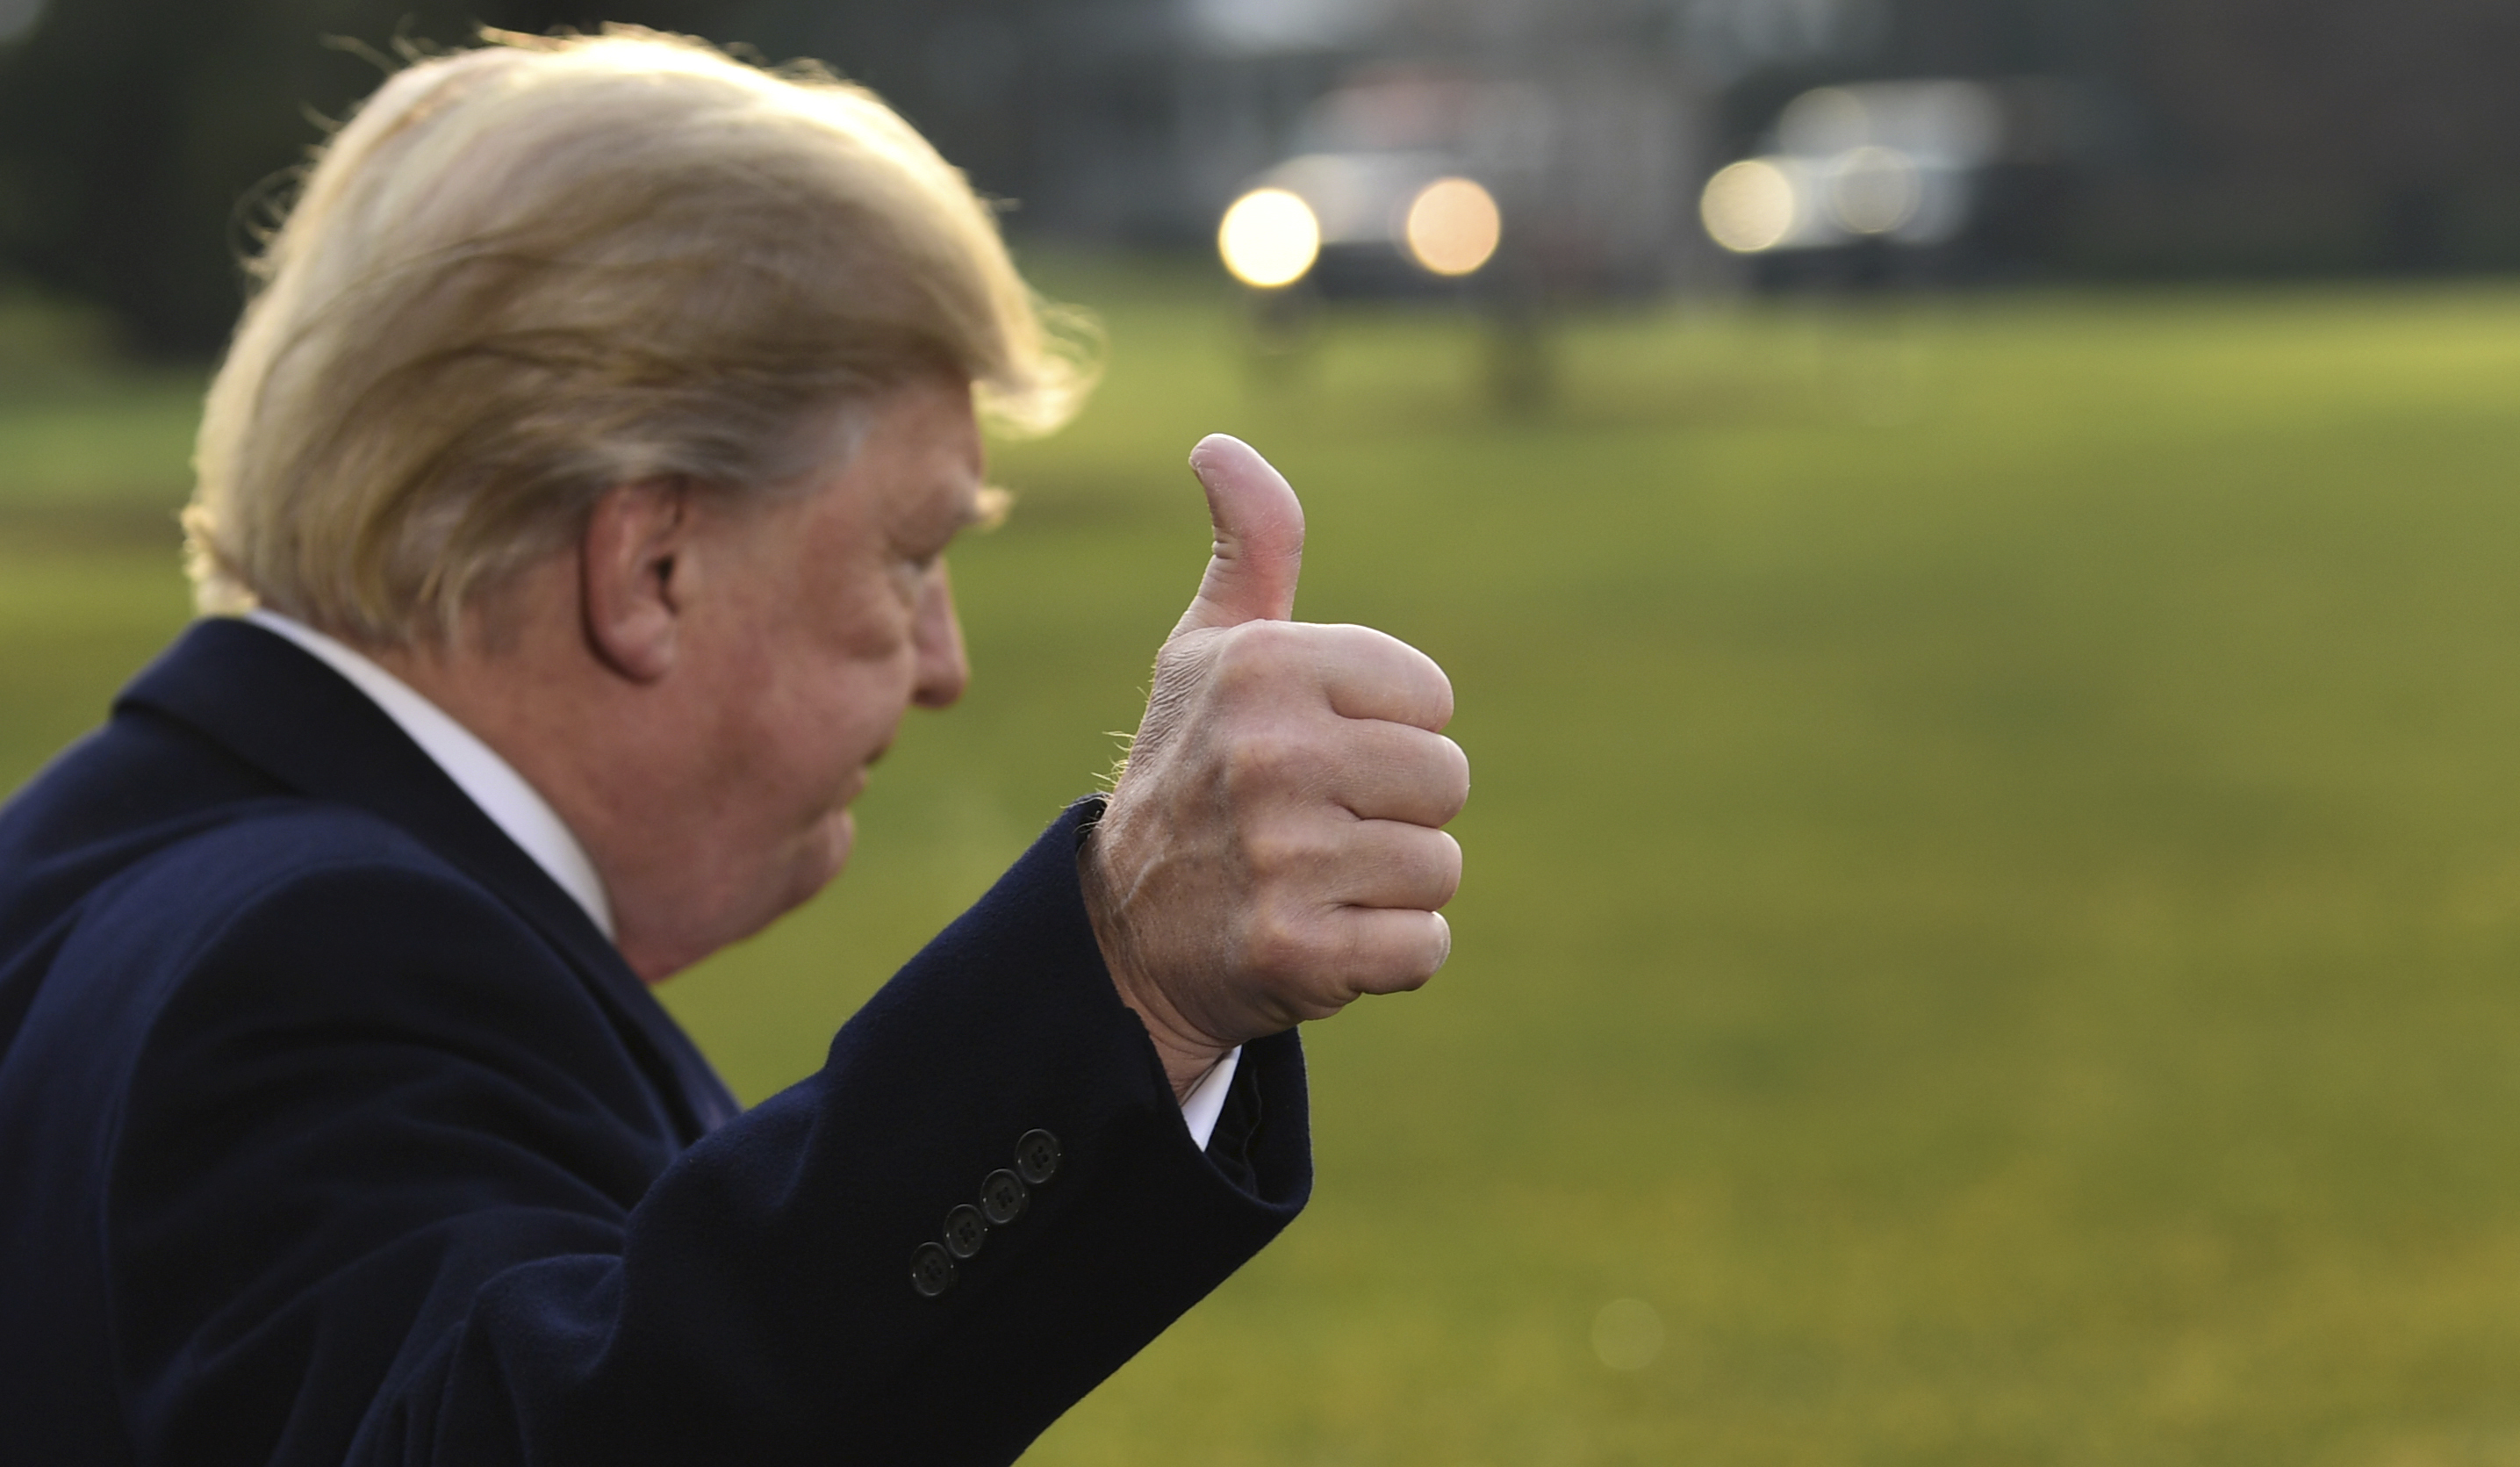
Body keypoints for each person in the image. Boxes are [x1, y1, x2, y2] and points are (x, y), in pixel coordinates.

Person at [0, 27, 1468, 1466]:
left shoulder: (91, 861)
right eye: (908, 556)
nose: (946, 666)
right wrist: (1127, 975)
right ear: (652, 567)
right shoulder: (321, 960)